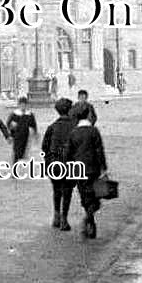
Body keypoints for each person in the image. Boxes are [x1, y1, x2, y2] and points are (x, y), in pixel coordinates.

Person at [66, 102, 107, 239]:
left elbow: (68, 154)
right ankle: (88, 218)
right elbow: (99, 150)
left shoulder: (73, 133)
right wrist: (104, 168)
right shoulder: (94, 131)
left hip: (78, 170)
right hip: (93, 169)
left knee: (84, 196)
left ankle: (90, 220)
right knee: (95, 197)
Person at [41, 97, 75, 231]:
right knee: (67, 191)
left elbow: (44, 147)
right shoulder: (75, 126)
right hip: (70, 163)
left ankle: (56, 215)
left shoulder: (52, 127)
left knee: (56, 189)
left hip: (54, 163)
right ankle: (64, 219)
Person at [7, 97, 37, 164]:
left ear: (27, 105)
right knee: (16, 150)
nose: (23, 106)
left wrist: (35, 133)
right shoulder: (14, 114)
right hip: (16, 135)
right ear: (18, 105)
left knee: (24, 150)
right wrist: (11, 127)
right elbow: (8, 123)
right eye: (21, 105)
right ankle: (15, 163)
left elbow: (33, 125)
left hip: (26, 135)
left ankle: (21, 163)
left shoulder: (29, 114)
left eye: (24, 105)